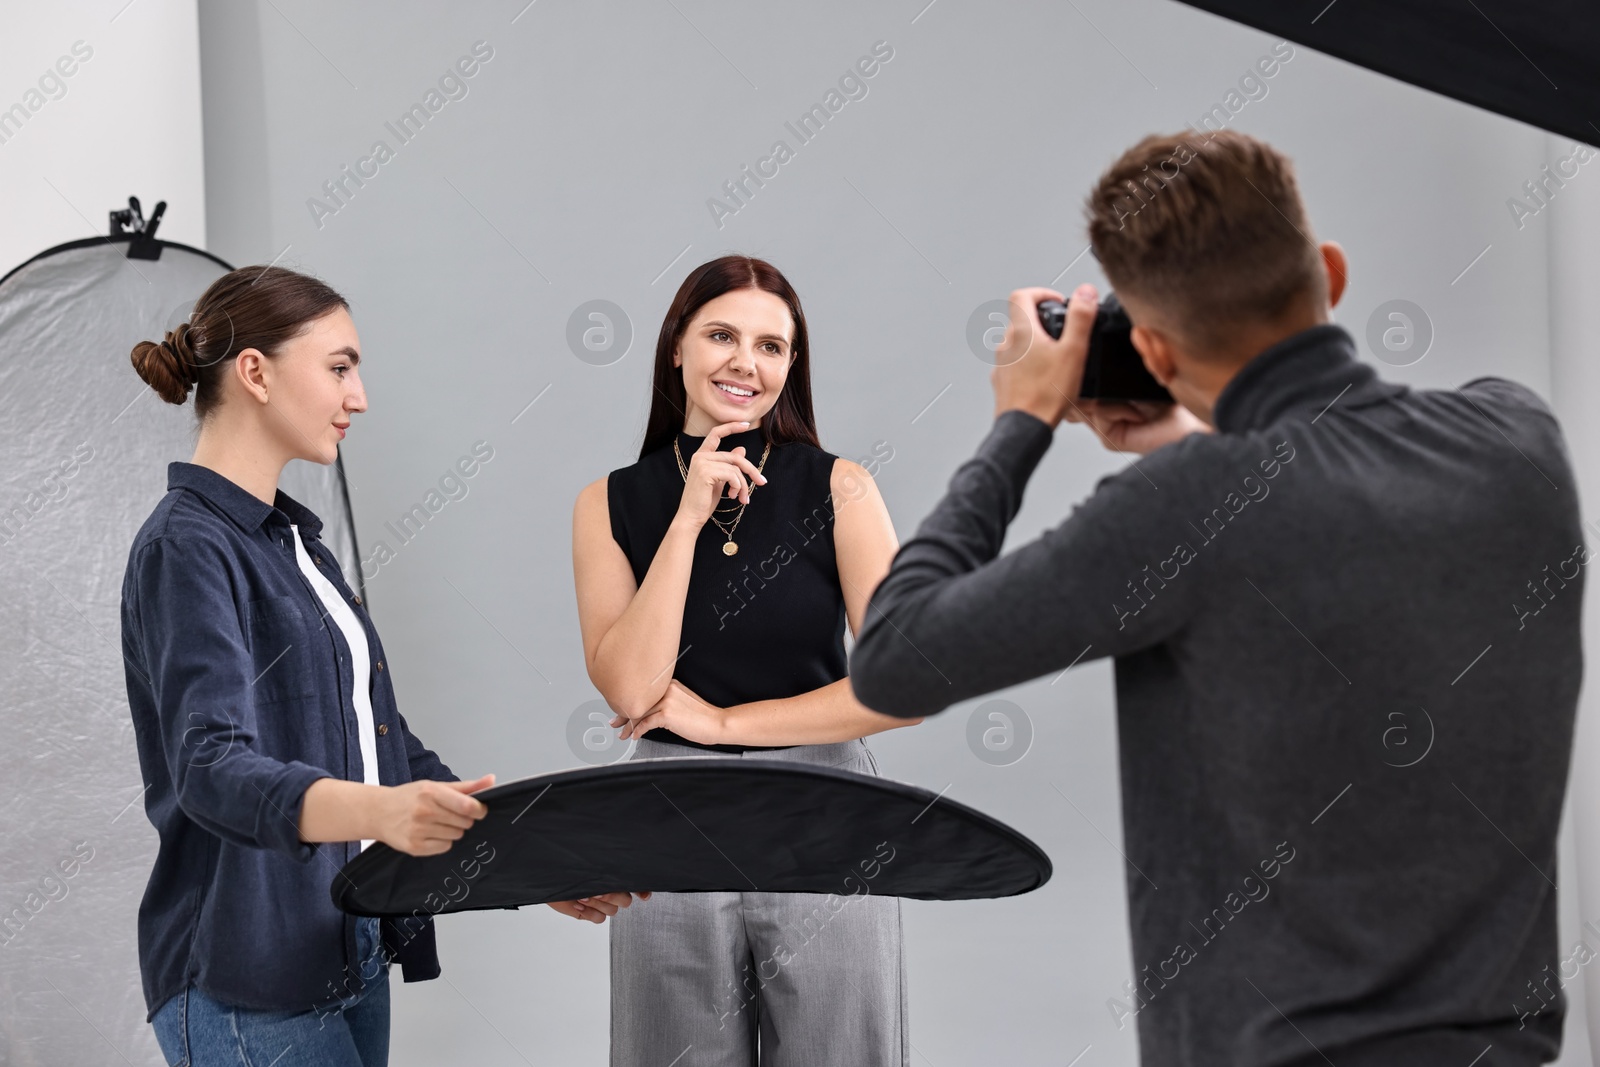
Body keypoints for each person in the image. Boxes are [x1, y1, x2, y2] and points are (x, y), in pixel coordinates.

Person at [848, 129, 1583, 1066]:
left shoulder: (1183, 511)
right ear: (1330, 272)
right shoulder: (1521, 442)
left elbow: (894, 655)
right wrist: (1195, 432)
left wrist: (1020, 423)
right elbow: (1330, 498)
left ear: (1151, 349)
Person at [120, 265, 636, 1067]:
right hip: (241, 974)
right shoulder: (187, 546)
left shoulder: (297, 547)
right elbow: (210, 768)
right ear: (254, 371)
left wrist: (527, 865)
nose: (358, 396)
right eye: (338, 366)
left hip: (345, 946)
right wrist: (380, 812)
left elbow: (380, 747)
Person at [570, 254, 921, 1065]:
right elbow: (629, 683)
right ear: (676, 348)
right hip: (668, 812)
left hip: (823, 803)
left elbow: (908, 682)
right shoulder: (609, 503)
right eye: (722, 334)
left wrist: (725, 721)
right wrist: (689, 514)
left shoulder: (842, 488)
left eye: (771, 346)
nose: (745, 362)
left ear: (791, 366)